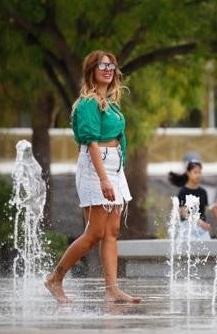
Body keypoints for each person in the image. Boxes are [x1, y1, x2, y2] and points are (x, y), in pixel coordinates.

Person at [44, 50, 141, 304]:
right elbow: (91, 143)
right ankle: (55, 278)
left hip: (114, 167)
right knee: (95, 231)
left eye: (111, 65)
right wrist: (103, 179)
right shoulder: (87, 103)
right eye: (102, 65)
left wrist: (116, 175)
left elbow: (118, 140)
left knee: (112, 231)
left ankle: (112, 289)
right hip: (95, 167)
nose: (108, 69)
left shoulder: (111, 104)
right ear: (91, 71)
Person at [168, 160, 212, 239]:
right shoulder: (183, 192)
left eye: (199, 172)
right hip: (187, 228)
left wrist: (205, 224)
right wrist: (199, 222)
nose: (198, 175)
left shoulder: (203, 192)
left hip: (202, 229)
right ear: (188, 173)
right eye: (195, 172)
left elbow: (203, 212)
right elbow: (184, 213)